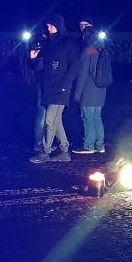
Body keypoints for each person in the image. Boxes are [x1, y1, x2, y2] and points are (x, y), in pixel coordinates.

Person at [29, 14, 79, 163]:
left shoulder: (68, 43)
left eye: (50, 25)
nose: (48, 27)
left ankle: (45, 152)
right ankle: (64, 151)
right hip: (48, 88)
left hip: (60, 89)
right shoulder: (49, 43)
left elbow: (75, 66)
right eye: (47, 25)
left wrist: (65, 83)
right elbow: (42, 67)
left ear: (57, 25)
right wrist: (33, 59)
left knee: (50, 121)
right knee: (56, 122)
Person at [72, 25, 111, 155]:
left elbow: (83, 74)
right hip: (101, 90)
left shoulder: (87, 50)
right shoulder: (102, 49)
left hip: (89, 91)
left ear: (85, 36)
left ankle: (88, 146)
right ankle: (100, 145)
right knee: (97, 118)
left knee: (87, 118)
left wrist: (77, 93)